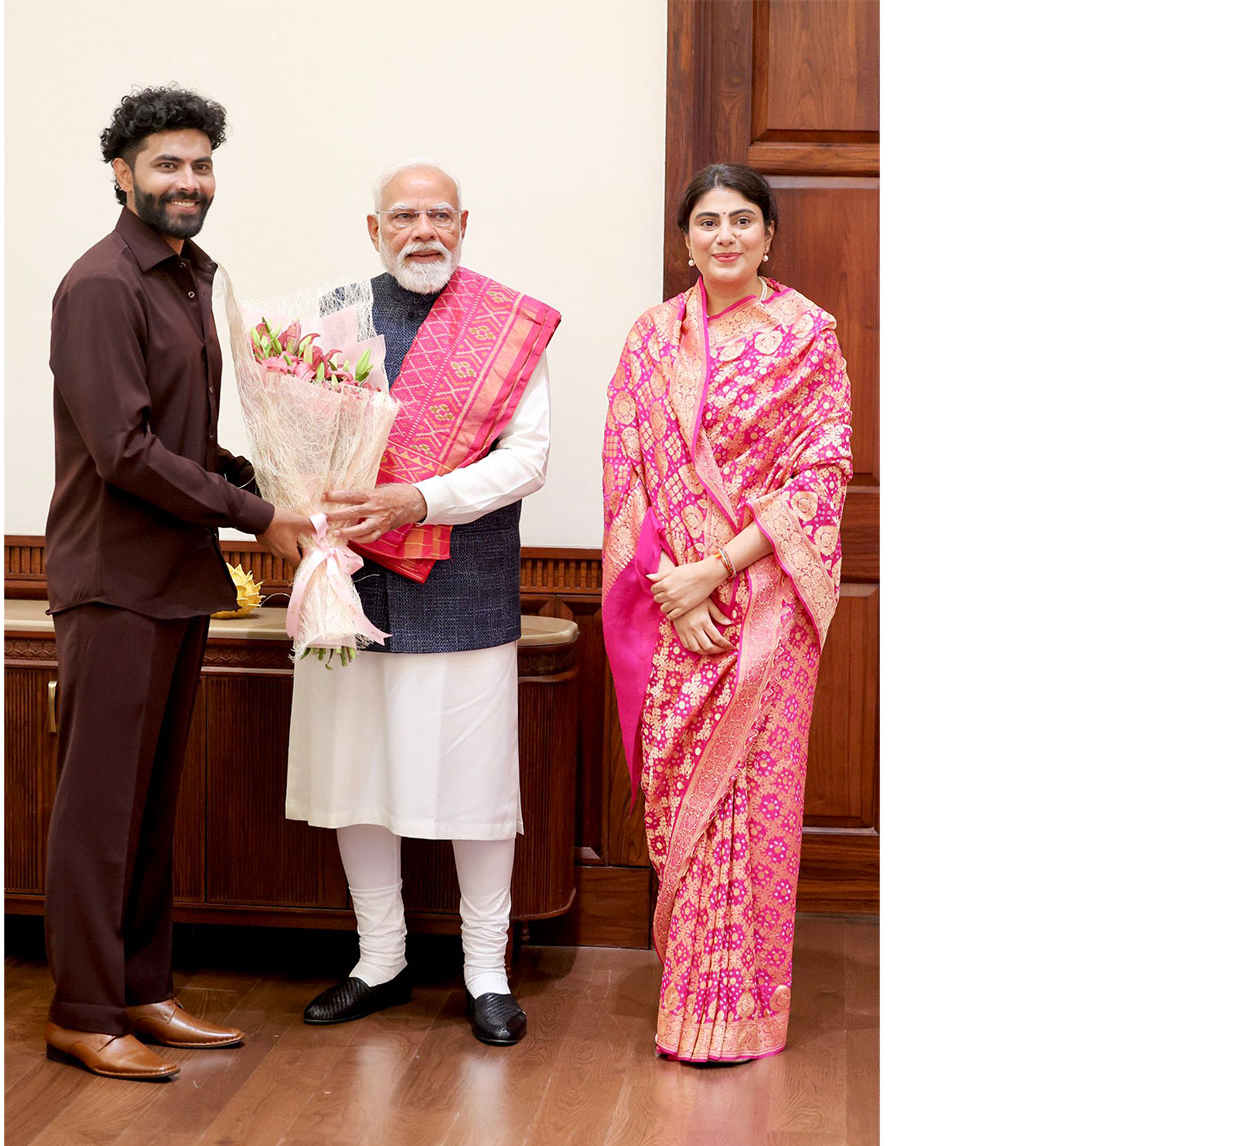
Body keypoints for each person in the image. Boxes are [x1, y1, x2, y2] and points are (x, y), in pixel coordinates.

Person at [41, 84, 313, 1080]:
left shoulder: (191, 277)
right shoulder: (103, 284)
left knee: (152, 805)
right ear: (121, 173)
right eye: (166, 164)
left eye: (199, 164)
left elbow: (178, 438)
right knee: (98, 810)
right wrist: (259, 517)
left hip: (177, 577)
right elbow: (121, 451)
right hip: (112, 581)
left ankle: (142, 988)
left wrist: (261, 476)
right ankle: (82, 1007)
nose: (187, 181)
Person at [283, 158, 560, 1046]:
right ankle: (380, 959)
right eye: (403, 217)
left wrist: (420, 500)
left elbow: (528, 460)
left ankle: (486, 969)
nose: (423, 232)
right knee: (357, 777)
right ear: (374, 230)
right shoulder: (333, 320)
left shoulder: (505, 326)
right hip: (351, 580)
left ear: (465, 223)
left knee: (477, 786)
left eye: (440, 216)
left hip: (465, 582)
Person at [601, 163, 852, 1063]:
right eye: (707, 222)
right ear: (685, 239)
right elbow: (625, 476)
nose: (725, 237)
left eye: (743, 220)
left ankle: (741, 1009)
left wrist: (716, 568)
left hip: (765, 606)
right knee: (683, 798)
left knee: (755, 800)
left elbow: (822, 475)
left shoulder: (807, 336)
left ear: (769, 234)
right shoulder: (651, 339)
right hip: (672, 604)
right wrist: (672, 586)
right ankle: (688, 999)